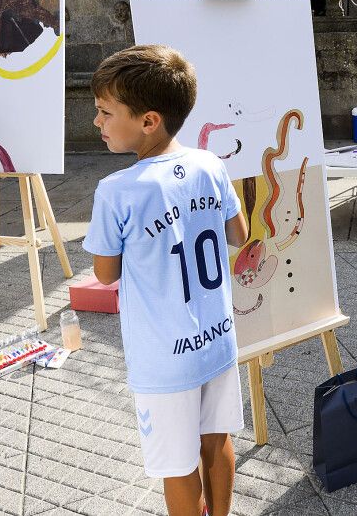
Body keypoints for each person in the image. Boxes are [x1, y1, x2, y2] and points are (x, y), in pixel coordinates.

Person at [83, 45, 248, 516]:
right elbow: (238, 234)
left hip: (164, 356)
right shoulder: (211, 164)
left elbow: (105, 272)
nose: (97, 122)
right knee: (215, 443)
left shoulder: (116, 191)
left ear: (149, 120)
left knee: (177, 467)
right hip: (217, 339)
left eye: (104, 112)